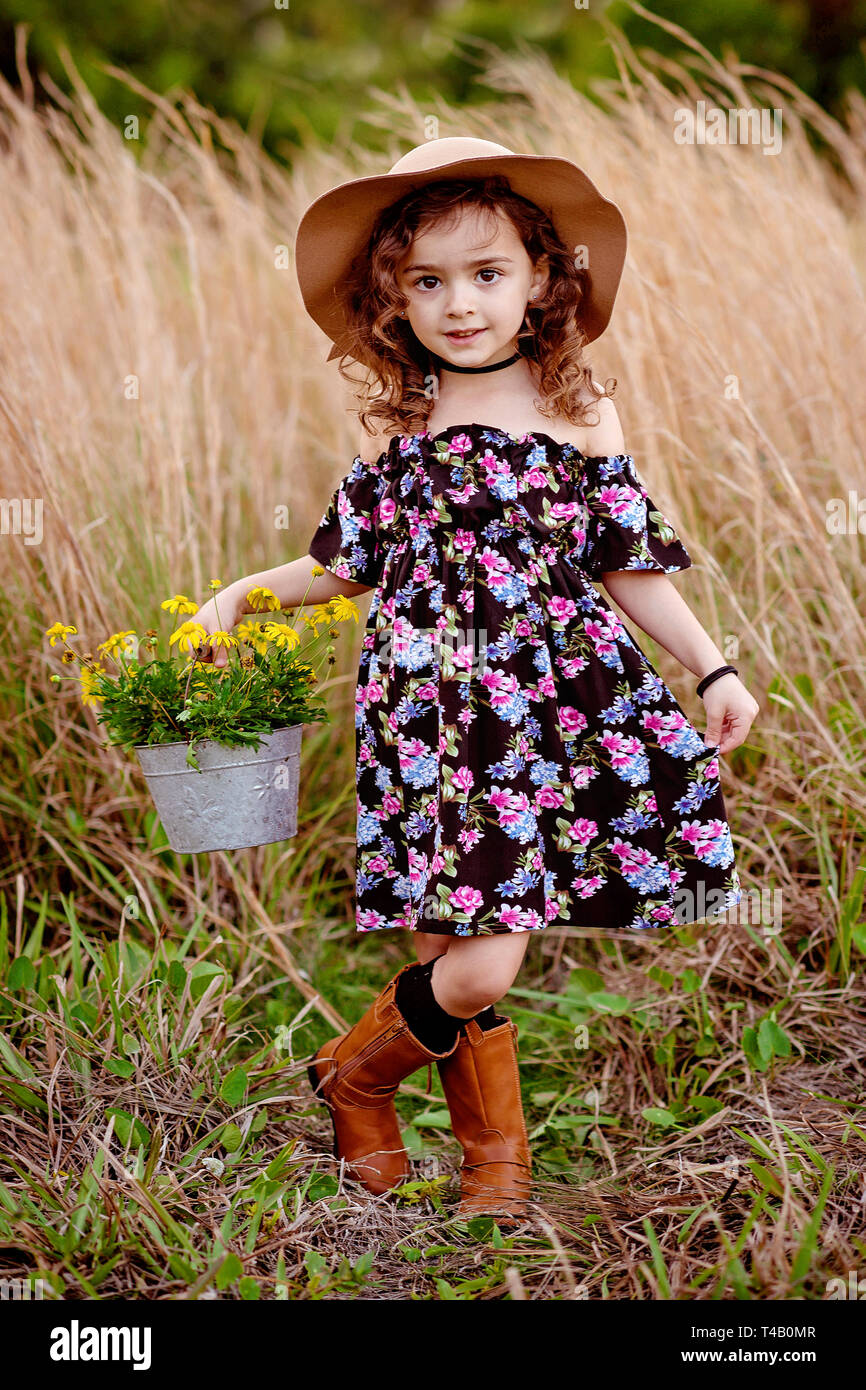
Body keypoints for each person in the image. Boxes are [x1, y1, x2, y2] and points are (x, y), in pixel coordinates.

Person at [194, 137, 760, 1225]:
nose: (459, 303)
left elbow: (627, 561)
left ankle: (351, 1076)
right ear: (392, 298)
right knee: (441, 944)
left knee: (478, 969)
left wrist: (711, 666)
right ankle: (490, 1159)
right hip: (421, 718)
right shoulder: (401, 432)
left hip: (539, 720)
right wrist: (238, 595)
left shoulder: (575, 415)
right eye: (428, 280)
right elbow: (336, 568)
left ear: (540, 279)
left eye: (486, 273)